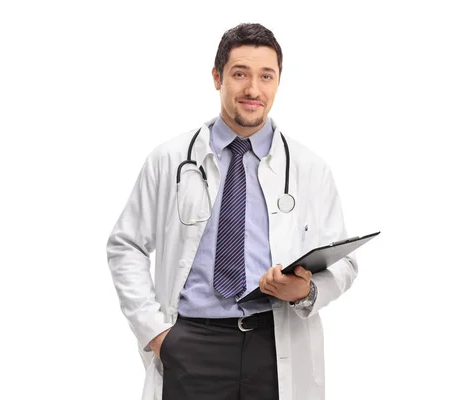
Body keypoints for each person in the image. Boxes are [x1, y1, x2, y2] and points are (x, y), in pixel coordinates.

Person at [106, 22, 358, 400]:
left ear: (278, 82)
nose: (253, 89)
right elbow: (126, 245)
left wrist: (304, 291)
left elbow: (344, 263)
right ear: (217, 77)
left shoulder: (310, 168)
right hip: (192, 343)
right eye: (240, 74)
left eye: (266, 76)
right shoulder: (170, 159)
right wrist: (156, 333)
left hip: (274, 344)